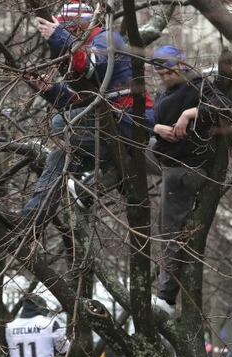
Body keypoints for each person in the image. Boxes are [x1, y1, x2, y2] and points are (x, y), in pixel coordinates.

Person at [22, 1, 154, 223]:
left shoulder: (107, 39)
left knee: (60, 124)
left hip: (129, 122)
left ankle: (104, 164)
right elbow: (84, 100)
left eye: (69, 30)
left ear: (81, 26)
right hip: (108, 121)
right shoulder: (79, 50)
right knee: (58, 156)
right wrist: (51, 90)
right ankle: (32, 216)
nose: (68, 36)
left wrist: (58, 36)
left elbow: (91, 65)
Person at [148, 45, 232, 315]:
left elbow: (225, 105)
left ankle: (166, 297)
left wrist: (189, 114)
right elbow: (144, 117)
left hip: (185, 167)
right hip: (163, 154)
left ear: (182, 66)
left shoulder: (198, 86)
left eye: (167, 71)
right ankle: (96, 182)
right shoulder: (163, 92)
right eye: (159, 72)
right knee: (125, 147)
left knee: (170, 230)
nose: (163, 76)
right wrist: (156, 127)